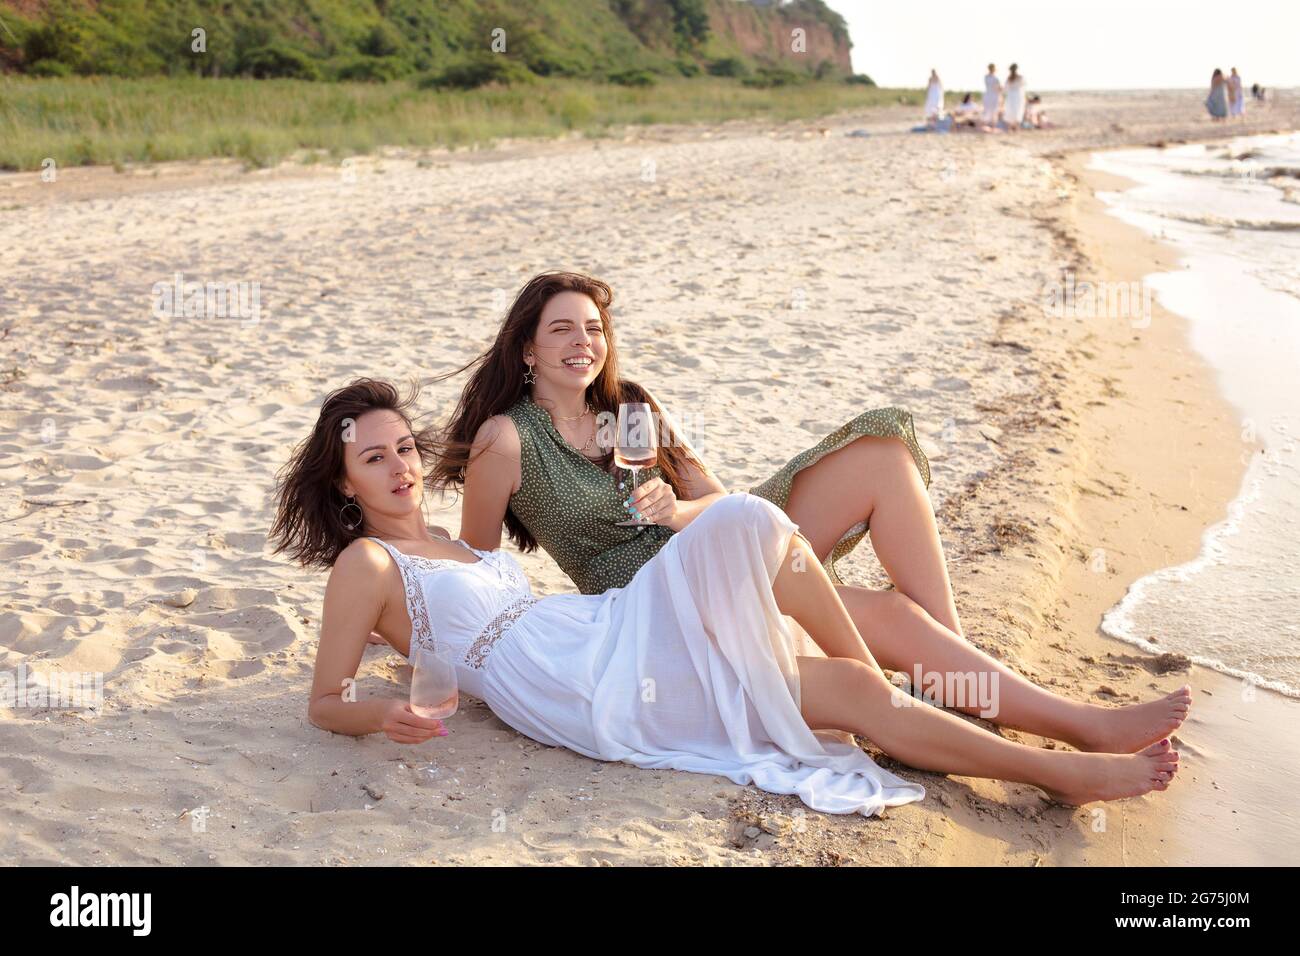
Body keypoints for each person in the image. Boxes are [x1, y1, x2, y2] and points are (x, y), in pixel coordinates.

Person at [270, 378, 1188, 813]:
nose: (397, 468)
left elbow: (458, 620)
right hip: (583, 682)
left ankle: (1059, 736)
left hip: (599, 627)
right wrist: (379, 717)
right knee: (755, 536)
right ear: (344, 482)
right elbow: (324, 700)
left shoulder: (446, 543)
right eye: (372, 457)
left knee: (747, 527)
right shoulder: (369, 566)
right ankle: (1063, 767)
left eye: (402, 450)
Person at [1004, 64, 1026, 129]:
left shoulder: (1009, 78)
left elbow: (1006, 88)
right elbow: (1023, 86)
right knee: (1018, 110)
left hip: (1010, 95)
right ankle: (1016, 127)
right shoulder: (1020, 77)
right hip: (1018, 95)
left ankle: (1010, 127)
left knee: (1010, 110)